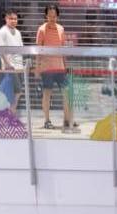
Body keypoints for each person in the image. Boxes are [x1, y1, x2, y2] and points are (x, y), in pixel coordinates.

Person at [33, 4, 72, 132]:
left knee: (66, 93)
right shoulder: (41, 30)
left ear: (57, 16)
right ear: (46, 16)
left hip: (60, 67)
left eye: (54, 16)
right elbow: (38, 50)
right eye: (49, 16)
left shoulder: (61, 29)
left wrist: (66, 65)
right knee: (47, 94)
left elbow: (63, 49)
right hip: (47, 68)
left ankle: (67, 120)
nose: (52, 18)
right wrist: (37, 68)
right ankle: (47, 121)